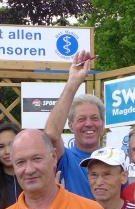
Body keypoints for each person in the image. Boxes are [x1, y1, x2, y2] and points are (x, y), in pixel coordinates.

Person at [44, 50, 98, 200]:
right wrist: (73, 82)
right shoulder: (66, 158)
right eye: (81, 119)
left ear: (102, 123)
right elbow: (51, 134)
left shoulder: (113, 160)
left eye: (94, 118)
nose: (89, 124)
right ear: (71, 125)